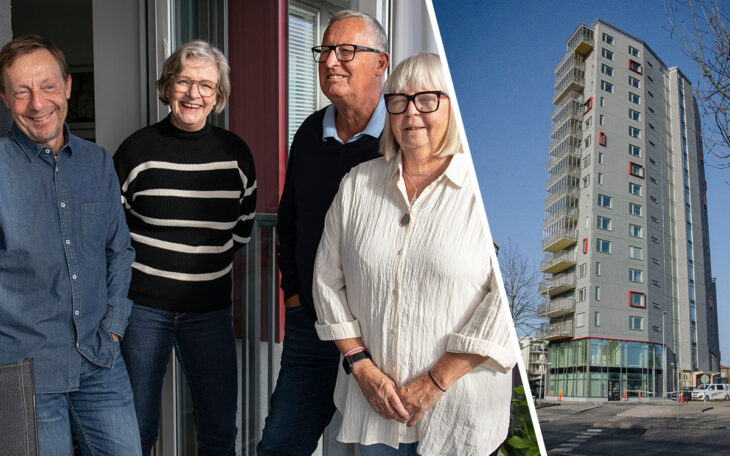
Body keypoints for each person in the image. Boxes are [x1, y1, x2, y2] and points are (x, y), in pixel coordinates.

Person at [312, 53, 517, 455]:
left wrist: (436, 381)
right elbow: (326, 280)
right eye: (398, 101)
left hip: (460, 415)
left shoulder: (481, 188)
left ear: (452, 106)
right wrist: (363, 367)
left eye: (427, 100)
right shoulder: (357, 185)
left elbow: (502, 304)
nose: (410, 113)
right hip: (376, 410)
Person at [113, 40, 256, 456]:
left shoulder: (236, 155)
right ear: (168, 86)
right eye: (184, 81)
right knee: (136, 430)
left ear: (219, 96)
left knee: (218, 429)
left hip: (209, 311)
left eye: (206, 86)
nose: (194, 94)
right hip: (142, 311)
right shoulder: (135, 151)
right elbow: (113, 235)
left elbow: (240, 232)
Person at [0, 34, 140, 455]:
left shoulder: (98, 161)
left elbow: (119, 251)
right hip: (25, 371)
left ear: (67, 87)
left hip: (100, 360)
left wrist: (114, 328)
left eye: (46, 87)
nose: (38, 104)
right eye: (21, 91)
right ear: (6, 99)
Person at [257, 10, 390, 455]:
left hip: (380, 333)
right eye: (325, 51)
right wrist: (293, 296)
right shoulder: (312, 131)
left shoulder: (403, 133)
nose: (331, 61)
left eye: (346, 51)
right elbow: (289, 222)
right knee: (279, 444)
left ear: (381, 63)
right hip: (313, 328)